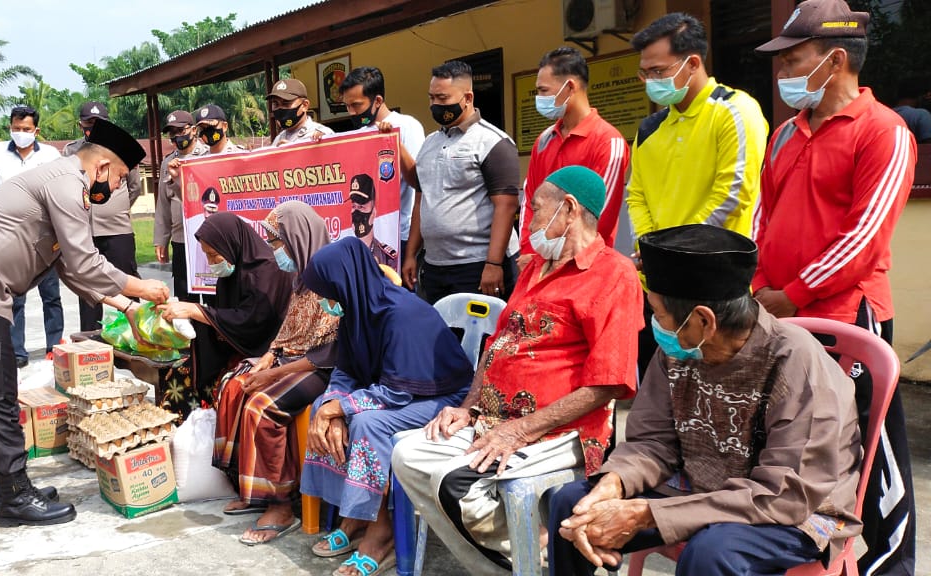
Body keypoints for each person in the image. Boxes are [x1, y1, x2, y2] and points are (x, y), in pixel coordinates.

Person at [549, 224, 862, 576]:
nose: (653, 322)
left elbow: (784, 493)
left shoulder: (796, 364)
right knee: (572, 506)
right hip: (700, 483)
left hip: (793, 508)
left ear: (703, 320)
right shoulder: (680, 347)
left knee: (711, 553)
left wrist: (649, 514)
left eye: (659, 313)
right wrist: (616, 481)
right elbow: (653, 441)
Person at [391, 166, 641, 574]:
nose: (529, 223)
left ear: (569, 210)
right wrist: (468, 408)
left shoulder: (613, 274)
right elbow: (497, 347)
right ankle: (524, 556)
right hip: (492, 419)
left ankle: (528, 552)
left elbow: (608, 383)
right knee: (406, 454)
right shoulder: (533, 268)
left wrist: (520, 430)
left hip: (557, 431)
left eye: (537, 210)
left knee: (457, 486)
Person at [0, 118, 170, 527]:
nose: (119, 187)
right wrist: (142, 288)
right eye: (122, 177)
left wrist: (125, 306)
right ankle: (14, 496)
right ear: (104, 167)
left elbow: (67, 265)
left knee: (0, 391)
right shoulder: (67, 182)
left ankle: (10, 490)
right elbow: (85, 261)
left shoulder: (65, 182)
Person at [752, 2, 916, 573]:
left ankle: (890, 561)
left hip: (849, 318)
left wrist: (791, 293)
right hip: (779, 313)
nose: (783, 75)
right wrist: (759, 284)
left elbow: (864, 236)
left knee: (870, 448)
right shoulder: (784, 135)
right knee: (803, 444)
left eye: (794, 61)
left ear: (835, 60)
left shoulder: (884, 132)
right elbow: (762, 219)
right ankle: (814, 545)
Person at [299, 237, 473, 576]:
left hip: (442, 397)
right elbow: (346, 370)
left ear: (344, 283)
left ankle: (382, 534)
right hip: (399, 392)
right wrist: (333, 404)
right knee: (322, 402)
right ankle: (355, 517)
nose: (322, 301)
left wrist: (340, 410)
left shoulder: (402, 316)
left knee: (367, 423)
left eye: (325, 292)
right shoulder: (358, 309)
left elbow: (396, 392)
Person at [626, 12, 769, 377]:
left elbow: (731, 195)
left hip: (715, 286)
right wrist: (650, 247)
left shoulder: (735, 111)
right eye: (646, 73)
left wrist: (672, 254)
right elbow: (636, 194)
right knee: (664, 395)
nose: (651, 81)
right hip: (657, 287)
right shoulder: (651, 127)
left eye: (658, 71)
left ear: (692, 63)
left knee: (724, 391)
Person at [211, 201, 339, 544]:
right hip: (295, 356)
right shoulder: (301, 275)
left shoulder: (332, 275)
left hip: (324, 366)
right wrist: (269, 357)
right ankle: (253, 487)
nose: (274, 251)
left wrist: (273, 374)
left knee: (262, 405)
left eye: (278, 242)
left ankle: (281, 504)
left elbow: (330, 349)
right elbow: (289, 329)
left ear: (297, 238)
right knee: (234, 385)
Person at [157, 212, 293, 418]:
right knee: (175, 372)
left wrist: (196, 311)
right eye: (206, 255)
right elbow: (223, 314)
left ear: (231, 243)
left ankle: (212, 444)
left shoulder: (267, 272)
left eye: (214, 254)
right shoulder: (234, 267)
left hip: (265, 351)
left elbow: (251, 322)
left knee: (217, 385)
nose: (211, 261)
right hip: (234, 347)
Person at [407, 60, 521, 304]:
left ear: (468, 97)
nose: (435, 105)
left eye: (442, 98)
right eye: (431, 98)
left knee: (482, 340)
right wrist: (411, 255)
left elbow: (506, 206)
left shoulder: (493, 143)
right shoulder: (429, 144)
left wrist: (493, 263)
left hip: (477, 266)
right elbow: (421, 200)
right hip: (435, 267)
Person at [518, 47, 628, 262]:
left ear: (569, 87)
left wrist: (557, 258)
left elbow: (599, 217)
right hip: (538, 261)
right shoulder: (543, 141)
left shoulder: (608, 142)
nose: (538, 98)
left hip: (583, 265)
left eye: (543, 90)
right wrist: (529, 251)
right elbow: (530, 200)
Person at [0, 105, 65, 366]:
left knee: (51, 295)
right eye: (16, 128)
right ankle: (17, 351)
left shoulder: (50, 155)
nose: (20, 133)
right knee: (15, 297)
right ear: (10, 127)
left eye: (26, 129)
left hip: (43, 233)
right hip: (10, 234)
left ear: (36, 130)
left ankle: (54, 345)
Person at [61, 101, 144, 334]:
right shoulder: (71, 151)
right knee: (88, 284)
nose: (93, 128)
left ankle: (135, 334)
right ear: (81, 125)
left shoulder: (123, 149)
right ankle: (90, 337)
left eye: (99, 124)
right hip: (84, 230)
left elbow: (134, 187)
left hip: (118, 229)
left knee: (127, 282)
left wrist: (115, 208)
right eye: (89, 123)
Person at [338, 66, 426, 261]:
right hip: (364, 239)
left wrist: (393, 142)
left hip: (399, 236)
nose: (351, 112)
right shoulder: (357, 134)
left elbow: (418, 181)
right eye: (347, 106)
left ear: (377, 100)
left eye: (356, 105)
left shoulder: (407, 126)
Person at [154, 110, 208, 303]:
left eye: (180, 130)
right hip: (180, 238)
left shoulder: (208, 155)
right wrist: (161, 239)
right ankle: (190, 334)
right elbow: (163, 204)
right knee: (184, 295)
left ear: (193, 130)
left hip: (207, 236)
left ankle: (212, 334)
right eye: (172, 133)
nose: (177, 137)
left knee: (212, 294)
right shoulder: (168, 162)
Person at [347, 174, 397, 270]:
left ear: (373, 212)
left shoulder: (386, 257)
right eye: (354, 206)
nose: (356, 212)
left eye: (361, 207)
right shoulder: (344, 254)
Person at [267, 79, 333, 147]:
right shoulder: (277, 140)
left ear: (305, 105)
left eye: (286, 103)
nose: (280, 108)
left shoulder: (322, 134)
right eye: (276, 104)